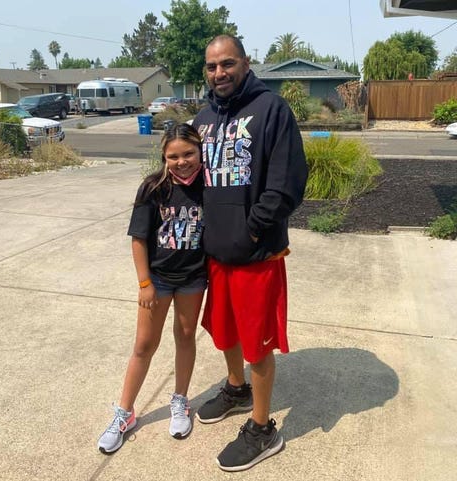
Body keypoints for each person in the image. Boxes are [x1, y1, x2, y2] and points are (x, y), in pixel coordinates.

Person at [192, 35, 308, 472]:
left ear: (245, 62)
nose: (219, 73)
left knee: (257, 343)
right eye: (211, 66)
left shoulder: (272, 110)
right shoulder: (203, 118)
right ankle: (236, 388)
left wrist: (252, 230)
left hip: (257, 254)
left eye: (227, 64)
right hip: (217, 253)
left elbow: (286, 181)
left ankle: (263, 429)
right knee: (226, 330)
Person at [97, 123, 206, 453]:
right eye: (173, 156)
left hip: (193, 278)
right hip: (156, 280)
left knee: (185, 337)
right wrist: (144, 283)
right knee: (144, 345)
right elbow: (139, 240)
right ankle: (124, 413)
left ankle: (180, 401)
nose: (182, 161)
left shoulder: (209, 187)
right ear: (163, 156)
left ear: (200, 151)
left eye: (188, 153)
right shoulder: (152, 187)